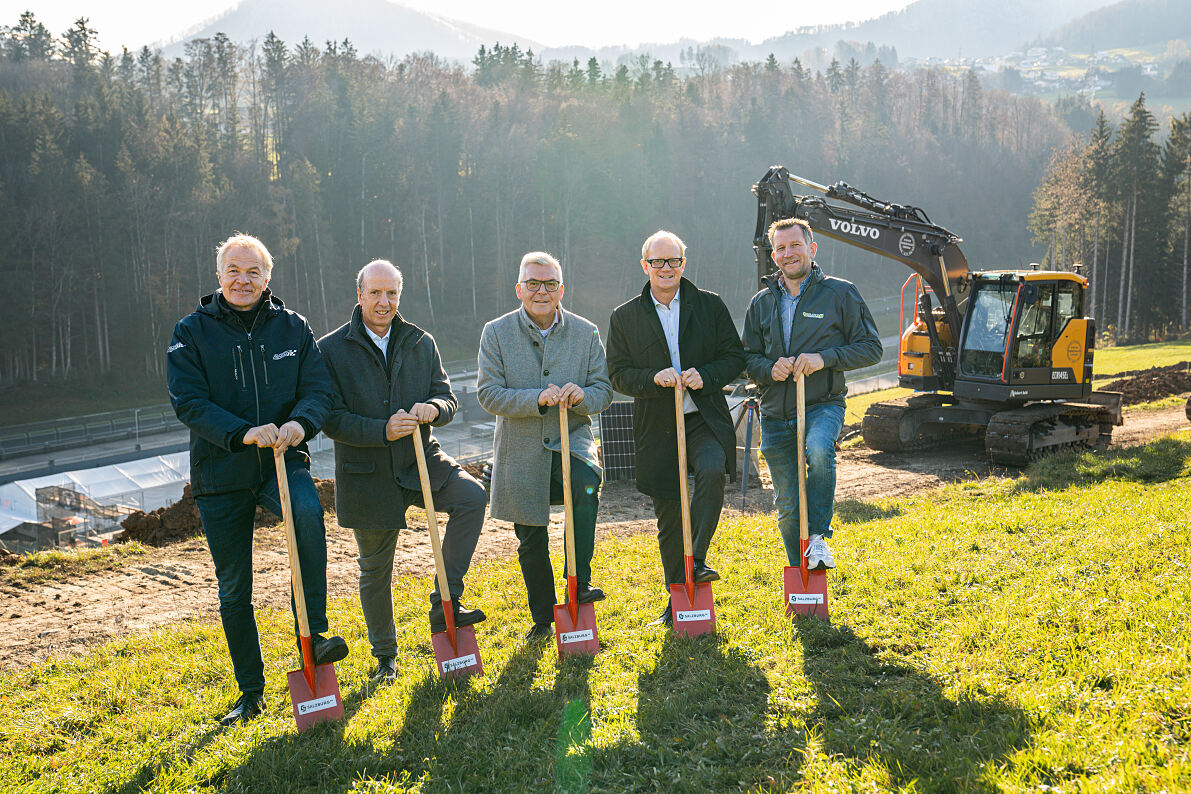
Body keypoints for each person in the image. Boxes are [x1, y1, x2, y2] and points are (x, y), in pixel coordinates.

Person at [166, 233, 347, 725]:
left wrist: (299, 424)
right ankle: (250, 691)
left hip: (281, 459)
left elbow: (318, 391)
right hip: (221, 470)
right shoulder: (191, 332)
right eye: (233, 271)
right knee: (234, 586)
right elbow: (189, 402)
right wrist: (242, 433)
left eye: (253, 272)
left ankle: (316, 636)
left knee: (308, 514)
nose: (242, 280)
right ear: (219, 276)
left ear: (267, 278)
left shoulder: (294, 328)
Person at [317, 260, 487, 681]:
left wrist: (435, 408)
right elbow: (329, 417)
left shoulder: (419, 341)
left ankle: (445, 600)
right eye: (375, 293)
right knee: (375, 569)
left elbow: (446, 397)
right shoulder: (331, 349)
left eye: (392, 293)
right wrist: (382, 429)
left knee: (472, 497)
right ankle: (385, 657)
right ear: (359, 296)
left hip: (420, 459)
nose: (384, 301)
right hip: (366, 473)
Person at [606, 230, 746, 628]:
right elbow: (617, 374)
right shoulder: (625, 316)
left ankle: (696, 559)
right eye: (657, 262)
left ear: (684, 264)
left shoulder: (709, 306)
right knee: (669, 515)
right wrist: (654, 378)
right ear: (645, 265)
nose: (666, 269)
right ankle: (676, 600)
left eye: (673, 261)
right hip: (657, 424)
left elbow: (734, 357)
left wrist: (708, 375)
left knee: (712, 468)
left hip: (704, 417)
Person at [477, 252, 613, 642]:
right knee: (530, 534)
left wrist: (582, 395)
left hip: (573, 442)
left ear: (561, 290)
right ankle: (542, 617)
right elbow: (488, 394)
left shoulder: (586, 331)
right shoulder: (496, 332)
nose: (542, 291)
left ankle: (579, 582)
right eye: (533, 284)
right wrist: (536, 399)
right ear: (519, 289)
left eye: (550, 283)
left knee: (587, 484)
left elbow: (603, 390)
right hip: (519, 449)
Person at [741, 217, 881, 571]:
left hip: (822, 404)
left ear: (812, 249)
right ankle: (803, 574)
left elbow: (871, 348)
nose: (789, 254)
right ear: (774, 256)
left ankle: (818, 536)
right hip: (774, 413)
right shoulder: (761, 302)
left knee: (819, 450)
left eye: (795, 245)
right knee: (788, 504)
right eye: (781, 248)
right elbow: (746, 359)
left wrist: (824, 358)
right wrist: (767, 369)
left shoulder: (840, 293)